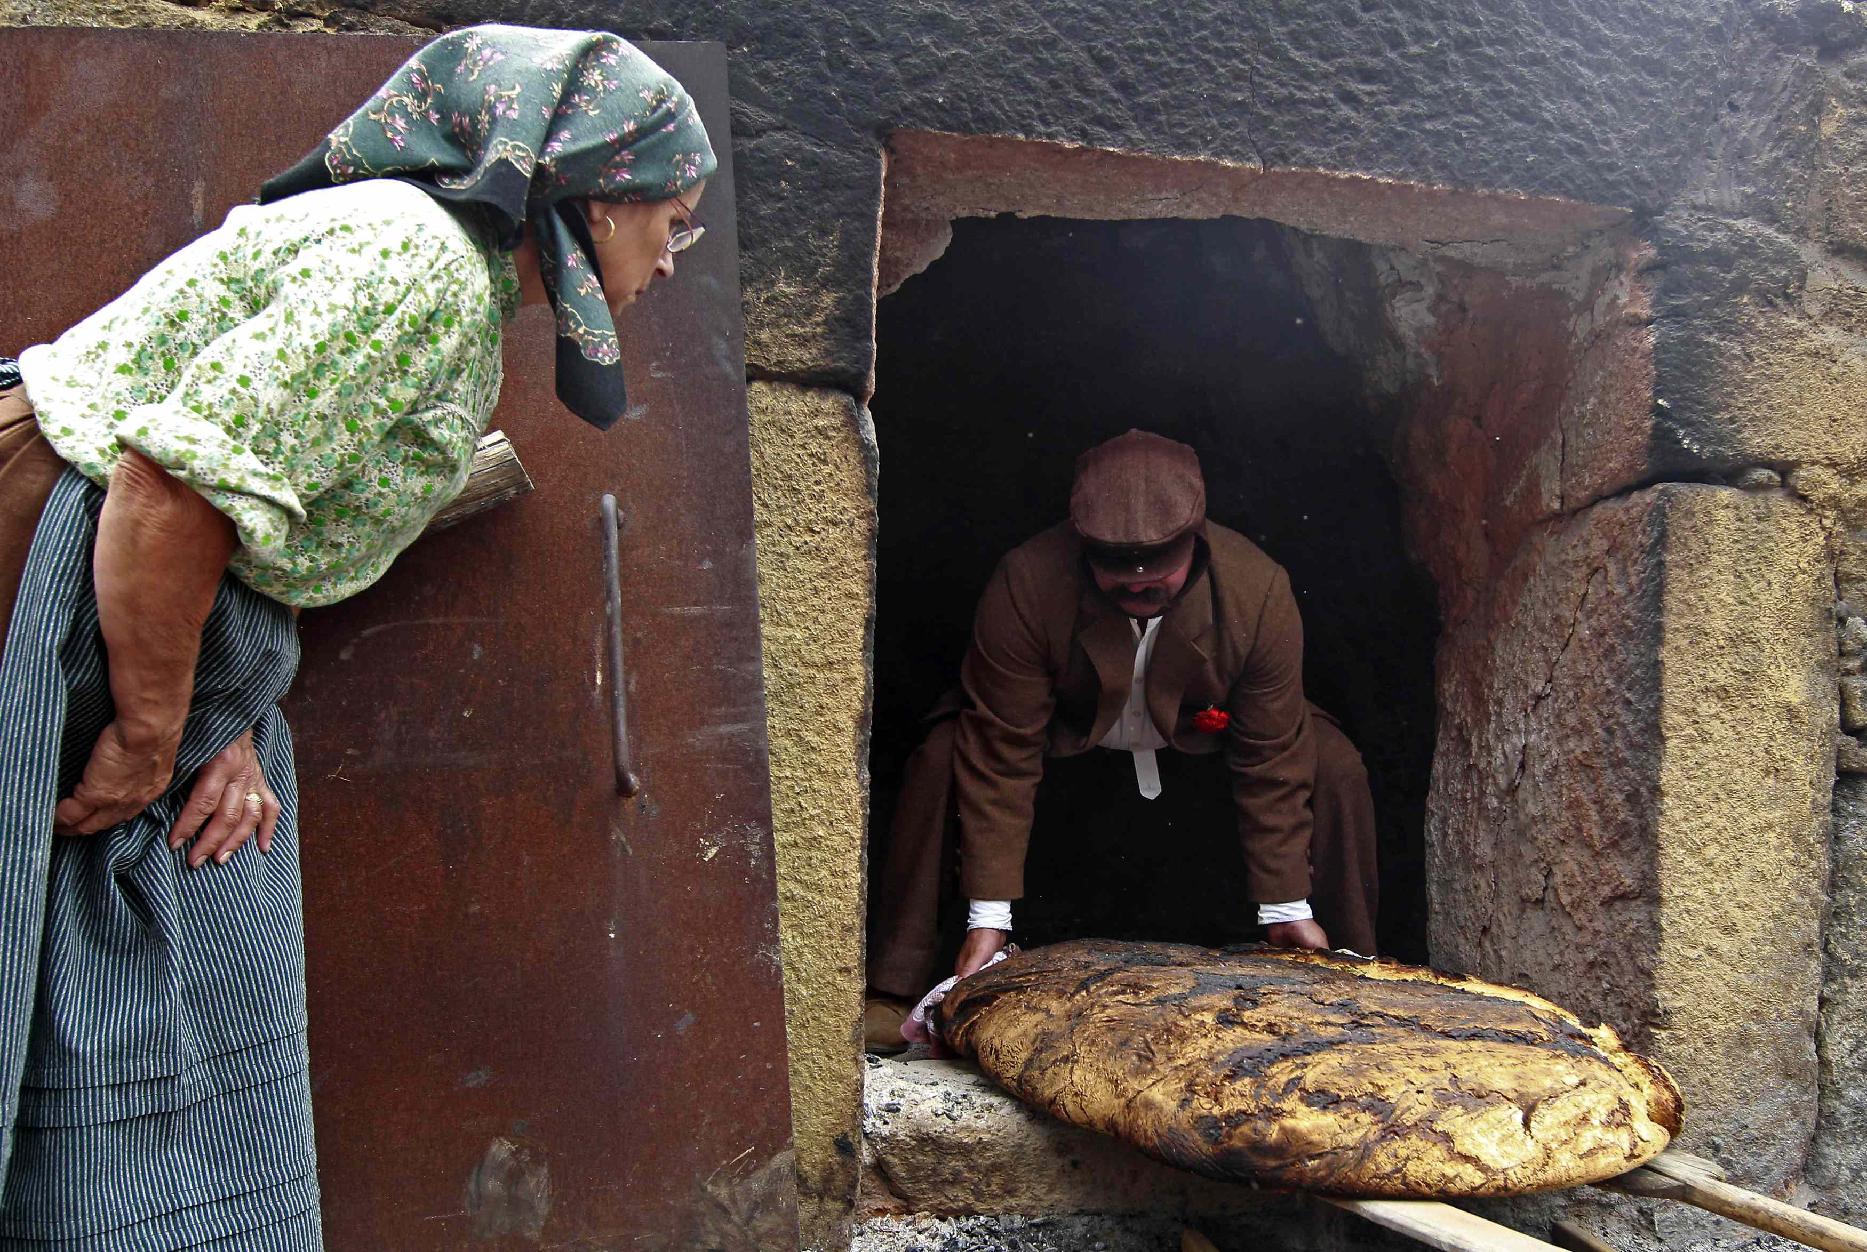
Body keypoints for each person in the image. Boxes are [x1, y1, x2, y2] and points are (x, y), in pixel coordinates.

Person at [0, 25, 713, 1247]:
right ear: (597, 195)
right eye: (673, 220)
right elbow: (170, 488)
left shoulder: (433, 268)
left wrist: (217, 711)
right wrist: (150, 729)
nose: (670, 253)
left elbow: (246, 511)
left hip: (130, 609)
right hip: (55, 589)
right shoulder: (415, 266)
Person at [866, 430, 1381, 1049]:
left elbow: (1270, 756)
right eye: (1113, 564)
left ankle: (1356, 980)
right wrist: (989, 920)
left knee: (1335, 761)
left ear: (1198, 539)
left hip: (1197, 740)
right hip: (1068, 735)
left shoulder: (1258, 589)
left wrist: (1285, 907)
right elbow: (1001, 750)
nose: (1137, 582)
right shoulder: (1026, 582)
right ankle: (896, 986)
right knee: (942, 754)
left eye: (1159, 563)